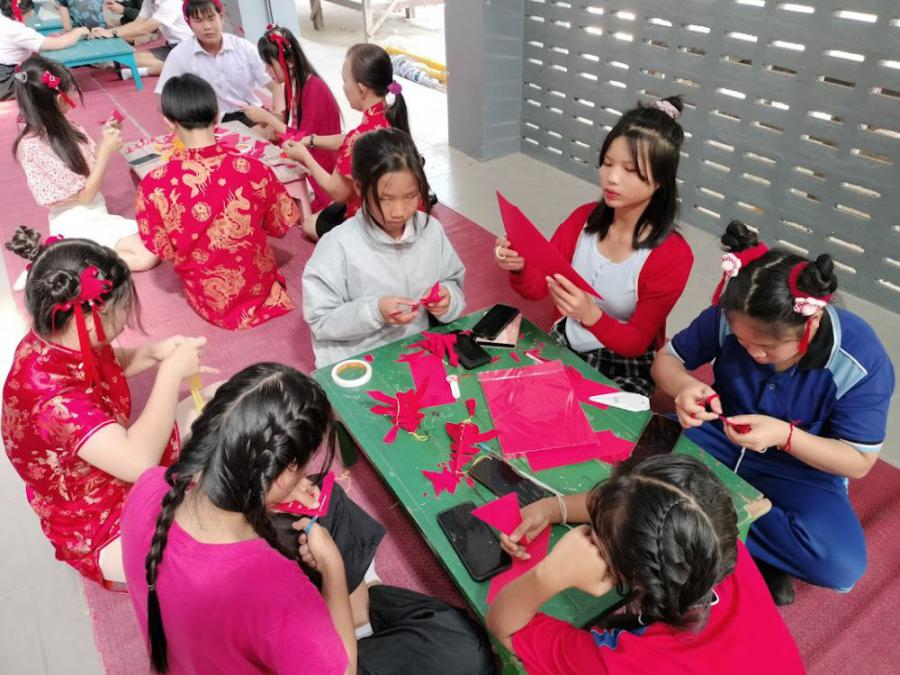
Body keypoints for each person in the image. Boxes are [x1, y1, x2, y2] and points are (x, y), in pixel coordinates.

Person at [122, 362, 495, 674]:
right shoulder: (271, 586)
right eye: (299, 469)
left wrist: (275, 493)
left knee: (328, 501)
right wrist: (332, 567)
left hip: (204, 652)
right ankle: (358, 617)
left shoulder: (148, 487)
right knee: (466, 647)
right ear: (281, 471)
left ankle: (361, 615)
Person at [652, 220, 895, 604]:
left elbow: (858, 461)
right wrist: (684, 388)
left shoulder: (860, 360)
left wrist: (785, 436)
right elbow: (666, 362)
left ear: (811, 321)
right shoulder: (730, 315)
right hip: (719, 436)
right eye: (742, 340)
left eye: (767, 347)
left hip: (800, 466)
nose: (753, 353)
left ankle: (703, 518)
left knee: (840, 565)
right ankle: (746, 542)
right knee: (635, 452)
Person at [1, 229, 209, 586]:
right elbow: (137, 462)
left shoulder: (54, 338)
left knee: (224, 399)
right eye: (121, 308)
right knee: (203, 557)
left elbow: (106, 363)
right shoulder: (51, 401)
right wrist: (170, 374)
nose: (127, 315)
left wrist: (154, 353)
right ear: (86, 319)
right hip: (98, 521)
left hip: (113, 459)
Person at [487, 454, 805, 674]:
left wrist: (548, 576)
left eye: (597, 539)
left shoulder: (621, 664)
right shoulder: (710, 540)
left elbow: (506, 628)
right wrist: (554, 508)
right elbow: (637, 504)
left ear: (622, 572)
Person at [494, 96, 693, 397]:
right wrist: (520, 266)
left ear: (659, 180)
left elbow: (636, 341)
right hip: (568, 341)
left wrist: (590, 314)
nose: (611, 178)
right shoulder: (583, 220)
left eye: (630, 169)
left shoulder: (673, 256)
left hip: (625, 362)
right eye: (608, 163)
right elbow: (535, 289)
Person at [136, 73, 299, 329]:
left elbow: (162, 248)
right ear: (216, 116)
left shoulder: (154, 184)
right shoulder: (253, 169)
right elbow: (280, 224)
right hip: (259, 286)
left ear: (169, 122)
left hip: (208, 297)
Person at [303, 128, 465, 368]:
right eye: (385, 199)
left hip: (418, 350)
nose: (399, 212)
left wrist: (447, 299)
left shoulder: (431, 231)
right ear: (359, 188)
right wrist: (374, 311)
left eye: (410, 196)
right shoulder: (337, 246)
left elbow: (453, 281)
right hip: (361, 360)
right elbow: (321, 320)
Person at [13, 55, 158, 281]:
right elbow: (85, 194)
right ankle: (70, 259)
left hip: (93, 210)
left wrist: (104, 139)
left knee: (157, 238)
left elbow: (87, 167)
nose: (75, 93)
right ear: (58, 99)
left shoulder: (65, 125)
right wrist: (105, 151)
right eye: (73, 90)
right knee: (147, 254)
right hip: (75, 219)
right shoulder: (32, 146)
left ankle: (76, 257)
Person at [283, 42, 410, 241]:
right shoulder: (387, 116)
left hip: (370, 218)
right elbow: (348, 138)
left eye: (345, 81)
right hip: (393, 206)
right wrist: (311, 140)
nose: (343, 87)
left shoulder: (359, 138)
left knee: (308, 224)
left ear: (361, 89)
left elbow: (337, 192)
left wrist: (305, 157)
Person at [244, 25, 341, 212]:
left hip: (319, 164)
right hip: (306, 153)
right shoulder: (294, 83)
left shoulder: (314, 88)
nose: (267, 71)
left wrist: (268, 118)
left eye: (270, 64)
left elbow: (302, 139)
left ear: (288, 61)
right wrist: (268, 118)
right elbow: (292, 122)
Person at [155, 0, 274, 126]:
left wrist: (278, 114)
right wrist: (190, 124)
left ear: (221, 16)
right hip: (207, 121)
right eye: (198, 20)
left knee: (275, 130)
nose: (207, 26)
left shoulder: (244, 47)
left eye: (211, 18)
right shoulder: (180, 55)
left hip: (250, 113)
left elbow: (275, 84)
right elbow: (161, 100)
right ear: (189, 23)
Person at [0, 0, 89, 99]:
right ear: (25, 12)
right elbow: (59, 43)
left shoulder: (3, 19)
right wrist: (79, 31)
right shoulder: (18, 31)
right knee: (48, 81)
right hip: (5, 81)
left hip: (5, 72)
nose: (31, 15)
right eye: (30, 13)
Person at [90, 0, 192, 76]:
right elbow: (137, 23)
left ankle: (182, 65)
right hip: (172, 46)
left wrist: (111, 33)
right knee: (133, 57)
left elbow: (144, 29)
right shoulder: (149, 2)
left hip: (189, 47)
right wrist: (109, 32)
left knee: (128, 61)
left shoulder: (171, 2)